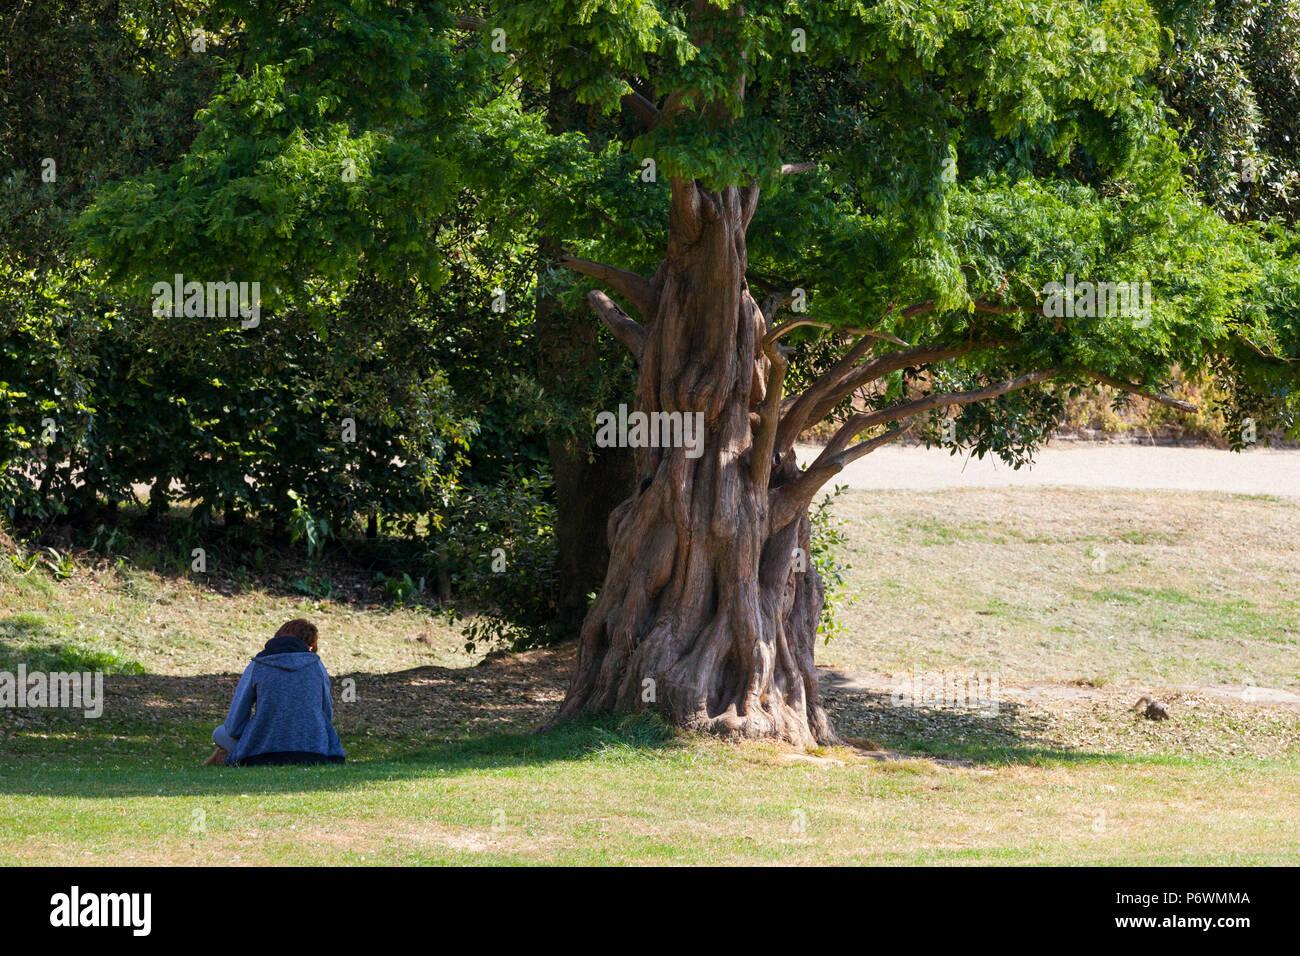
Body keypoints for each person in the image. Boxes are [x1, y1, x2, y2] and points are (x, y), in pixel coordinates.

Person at [204, 618, 346, 766]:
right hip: (313, 752)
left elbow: (234, 726)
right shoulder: (317, 666)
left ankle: (220, 762)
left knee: (220, 733)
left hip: (263, 754)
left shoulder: (258, 664)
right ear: (310, 646)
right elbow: (326, 715)